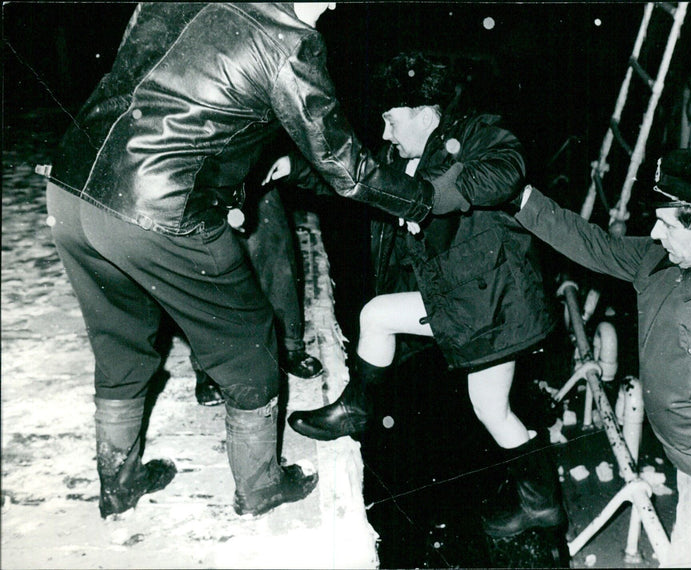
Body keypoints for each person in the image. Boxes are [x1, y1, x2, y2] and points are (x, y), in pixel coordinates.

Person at [43, 3, 441, 519]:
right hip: (159, 208)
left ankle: (119, 484)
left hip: (73, 187)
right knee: (250, 341)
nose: (337, 5)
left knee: (120, 343)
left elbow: (159, 91)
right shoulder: (290, 42)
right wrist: (423, 200)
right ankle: (260, 487)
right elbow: (346, 168)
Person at [285, 52, 566, 538]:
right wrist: (295, 167)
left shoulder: (478, 134)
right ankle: (542, 505)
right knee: (491, 409)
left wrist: (433, 196)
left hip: (493, 303)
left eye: (392, 121)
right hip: (471, 303)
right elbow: (356, 179)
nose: (386, 134)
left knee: (376, 316)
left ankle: (356, 408)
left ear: (424, 111)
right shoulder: (400, 157)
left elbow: (507, 167)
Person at [515, 148, 691, 568]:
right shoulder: (667, 259)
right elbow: (596, 245)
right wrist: (520, 200)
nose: (655, 233)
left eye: (665, 223)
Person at [193, 169, 324, 407]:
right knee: (202, 267)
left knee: (274, 251)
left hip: (249, 168)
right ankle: (208, 367)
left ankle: (288, 346)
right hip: (194, 177)